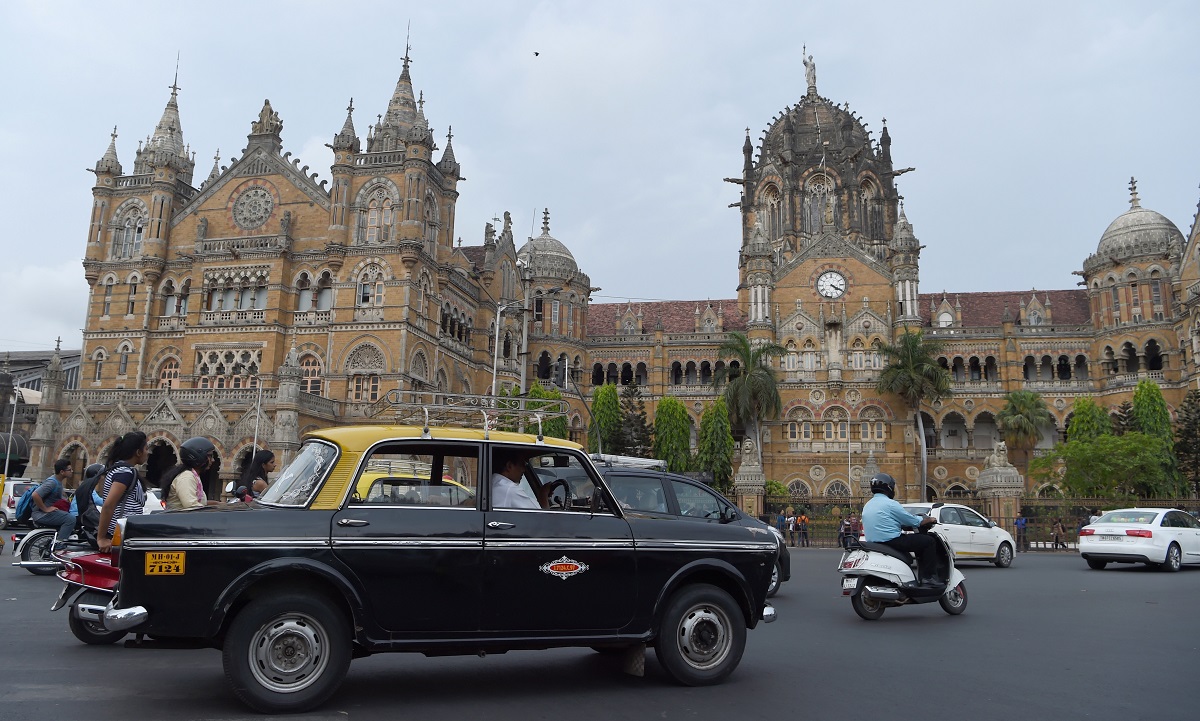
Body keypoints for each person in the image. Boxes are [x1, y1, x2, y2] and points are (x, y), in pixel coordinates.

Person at [861, 473, 938, 585]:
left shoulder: (868, 505)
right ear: (889, 487)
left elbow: (884, 522)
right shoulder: (891, 504)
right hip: (891, 541)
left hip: (873, 543)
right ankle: (928, 578)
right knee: (928, 541)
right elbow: (914, 521)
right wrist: (929, 519)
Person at [97, 431, 149, 553]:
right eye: (146, 448)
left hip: (125, 533)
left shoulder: (122, 470)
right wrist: (101, 538)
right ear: (138, 452)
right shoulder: (124, 473)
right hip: (120, 534)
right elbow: (109, 505)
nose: (148, 452)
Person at [31, 459, 76, 550]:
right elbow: (35, 495)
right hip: (41, 514)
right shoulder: (52, 482)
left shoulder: (58, 481)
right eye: (69, 469)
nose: (72, 471)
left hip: (45, 513)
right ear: (62, 472)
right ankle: (59, 547)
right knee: (70, 519)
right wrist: (45, 509)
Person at [162, 437, 216, 510]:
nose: (212, 460)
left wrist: (219, 504)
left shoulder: (192, 475)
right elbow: (192, 507)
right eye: (210, 456)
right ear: (199, 456)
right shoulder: (187, 477)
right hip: (181, 520)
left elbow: (200, 502)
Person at [71, 462, 106, 541]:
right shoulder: (89, 488)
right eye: (102, 475)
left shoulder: (86, 485)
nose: (103, 478)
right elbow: (98, 501)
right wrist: (112, 503)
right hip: (77, 514)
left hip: (78, 513)